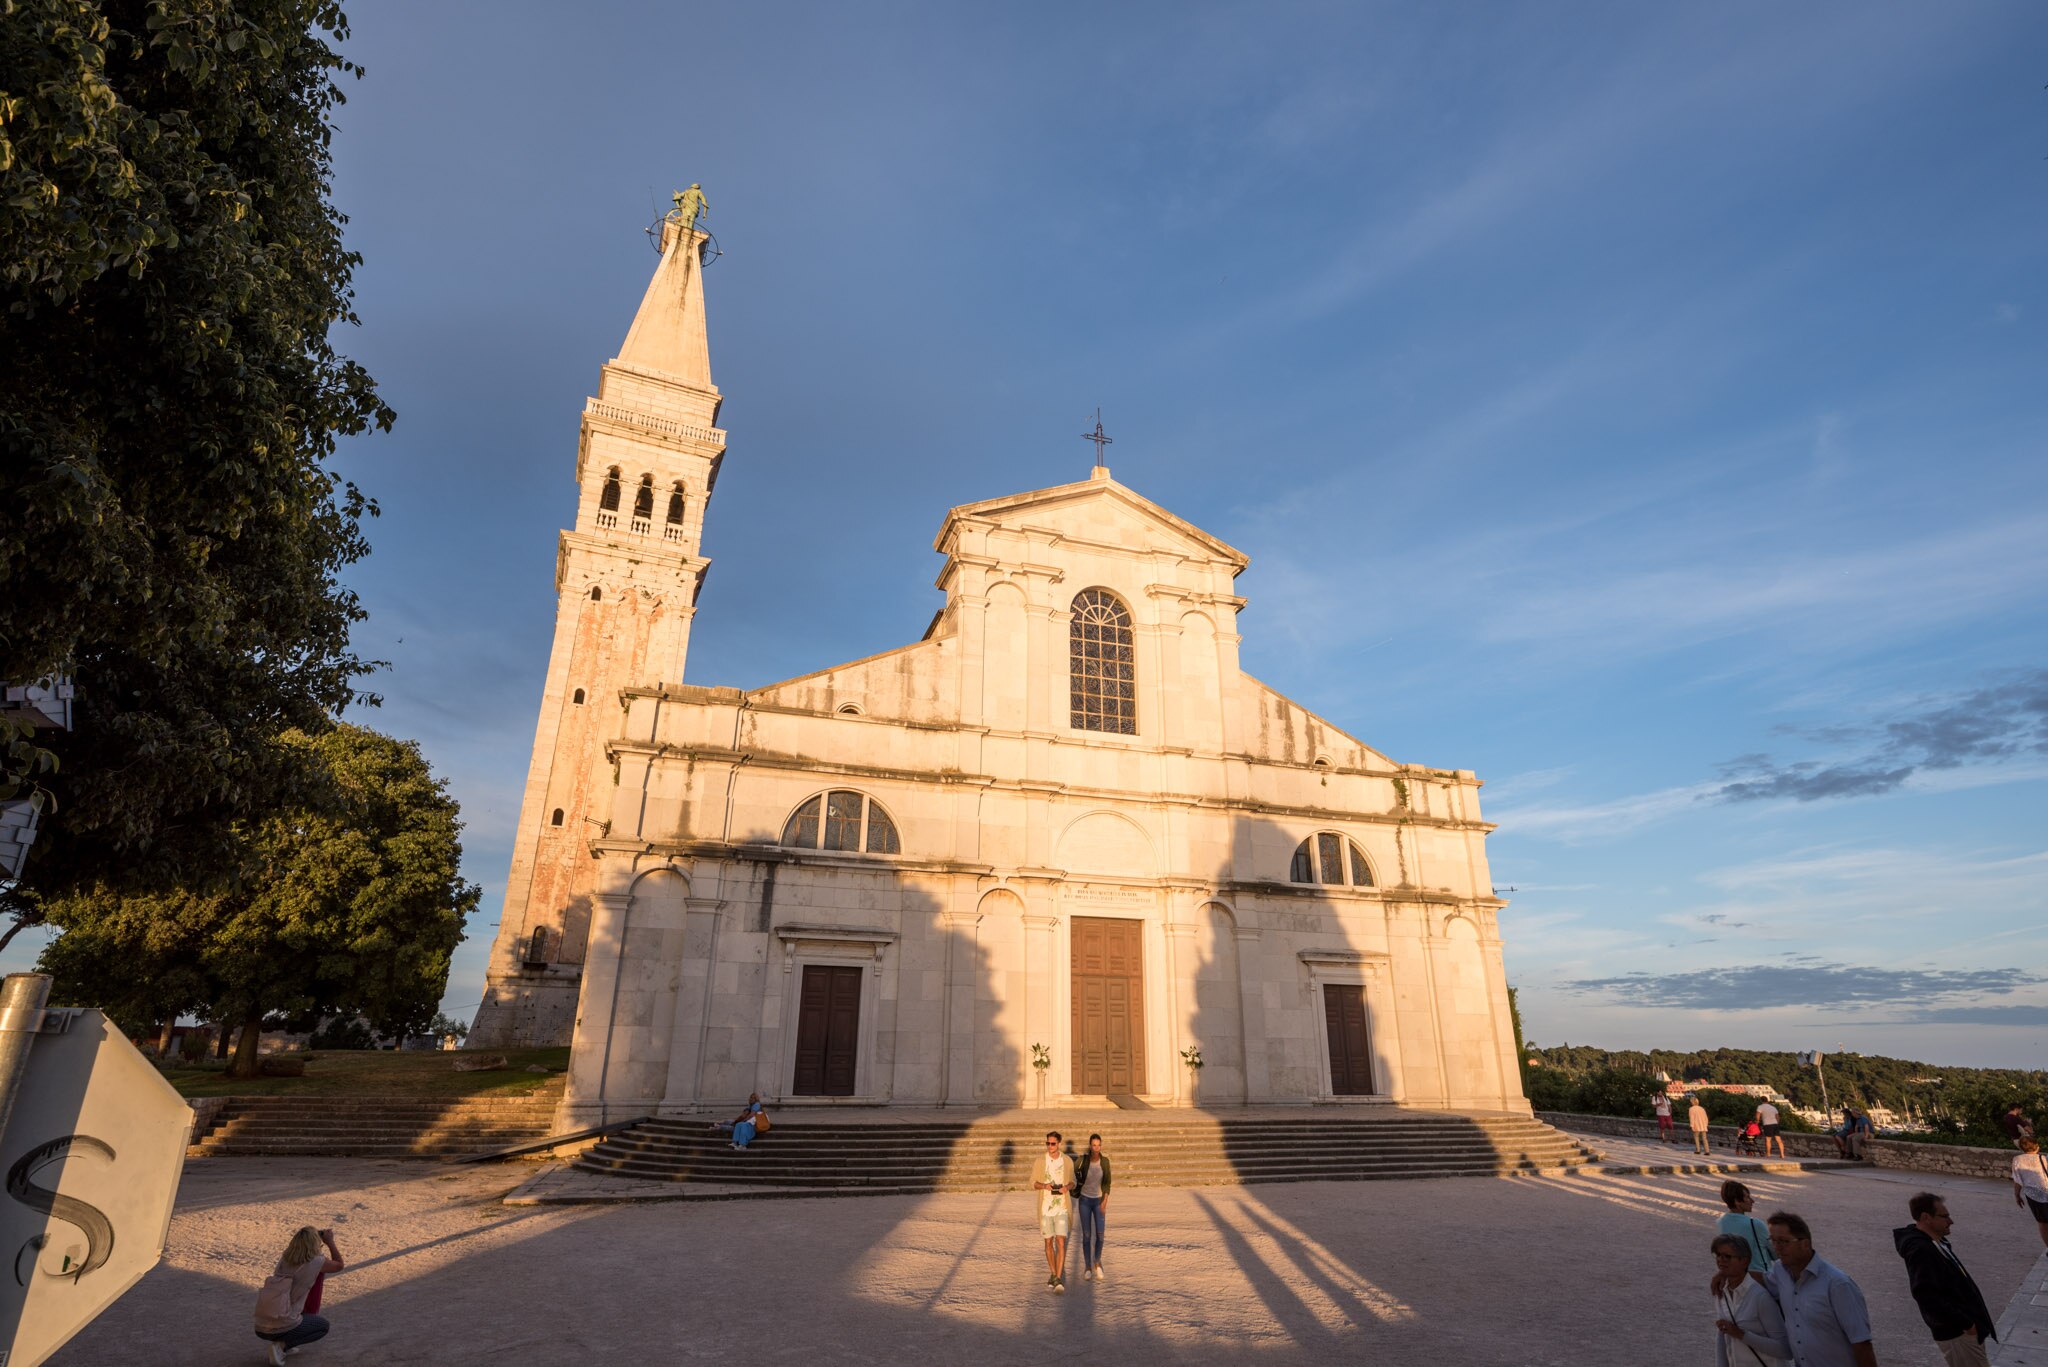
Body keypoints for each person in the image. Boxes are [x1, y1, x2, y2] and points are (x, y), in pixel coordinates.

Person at [1761, 1211, 1877, 1367]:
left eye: (1783, 1241)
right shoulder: (1780, 1272)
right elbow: (1759, 1282)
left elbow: (1861, 1343)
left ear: (1805, 1244)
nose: (1776, 1248)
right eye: (1773, 1241)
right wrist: (1726, 1274)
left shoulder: (1838, 1285)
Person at [1894, 1191, 1996, 1367]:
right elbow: (1926, 1295)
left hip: (1964, 1331)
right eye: (1944, 1216)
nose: (1951, 1221)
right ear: (1926, 1217)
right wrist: (1966, 1324)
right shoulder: (1922, 1250)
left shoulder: (1935, 1242)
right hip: (1956, 1333)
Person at [253, 1226, 344, 1366]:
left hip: (260, 1328)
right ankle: (282, 1346)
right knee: (322, 1326)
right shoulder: (316, 1262)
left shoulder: (285, 1258)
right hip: (283, 1323)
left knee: (292, 1318)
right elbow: (339, 1265)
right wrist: (330, 1241)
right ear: (315, 1243)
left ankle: (281, 1344)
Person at [1712, 1232, 1791, 1367]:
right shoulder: (1721, 1292)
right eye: (1718, 1255)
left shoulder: (1760, 1297)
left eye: (1727, 1256)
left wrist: (1741, 1334)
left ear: (1745, 1261)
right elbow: (1723, 1337)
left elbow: (1785, 1350)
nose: (1721, 1260)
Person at [1030, 1130, 1074, 1293]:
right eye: (1048, 1143)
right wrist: (1044, 1186)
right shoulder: (1040, 1161)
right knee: (1048, 1242)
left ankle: (1058, 1277)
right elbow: (1032, 1182)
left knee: (1061, 1241)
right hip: (1045, 1208)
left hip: (1061, 1207)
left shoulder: (1067, 1161)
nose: (1050, 1146)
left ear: (1059, 1144)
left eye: (1053, 1143)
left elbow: (1073, 1182)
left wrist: (1066, 1187)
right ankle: (1053, 1274)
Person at [1716, 1180, 1776, 1285]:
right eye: (1747, 1197)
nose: (1752, 1201)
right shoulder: (1755, 1224)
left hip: (1732, 1279)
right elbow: (1775, 1253)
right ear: (1737, 1202)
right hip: (1759, 1278)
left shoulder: (1719, 1222)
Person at [1074, 1133, 1112, 1282]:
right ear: (1090, 1146)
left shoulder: (1105, 1162)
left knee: (1101, 1235)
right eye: (1094, 1145)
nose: (1096, 1148)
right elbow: (1072, 1173)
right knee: (1087, 1235)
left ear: (1100, 1146)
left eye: (1099, 1145)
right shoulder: (1082, 1161)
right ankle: (1088, 1267)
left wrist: (1105, 1201)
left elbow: (1107, 1182)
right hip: (1084, 1200)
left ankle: (1097, 1261)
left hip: (1098, 1201)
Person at [2011, 1137, 2048, 1251]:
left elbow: (2018, 1180)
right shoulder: (2043, 1158)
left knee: (2042, 1223)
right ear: (2037, 1146)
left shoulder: (2017, 1160)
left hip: (2033, 1196)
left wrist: (2017, 1195)